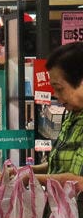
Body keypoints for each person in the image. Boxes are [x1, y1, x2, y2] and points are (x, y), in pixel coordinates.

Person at [34, 42, 83, 190]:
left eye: (59, 89)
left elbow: (78, 182)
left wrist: (32, 178)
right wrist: (29, 171)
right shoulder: (72, 115)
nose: (56, 96)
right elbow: (60, 164)